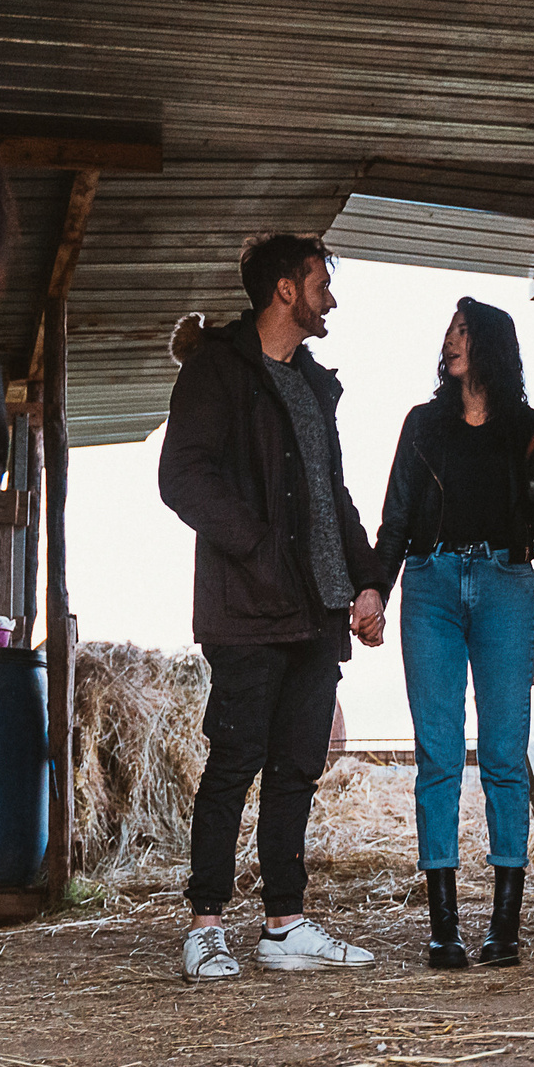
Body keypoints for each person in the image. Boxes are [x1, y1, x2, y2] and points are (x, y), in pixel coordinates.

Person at [159, 233, 388, 982]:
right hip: (248, 608)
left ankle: (284, 924)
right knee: (234, 762)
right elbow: (181, 477)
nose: (331, 300)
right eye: (321, 284)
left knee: (297, 768)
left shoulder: (314, 386)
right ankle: (206, 926)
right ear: (286, 290)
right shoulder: (218, 370)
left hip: (318, 610)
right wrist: (260, 547)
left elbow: (332, 496)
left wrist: (367, 579)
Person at [374, 299, 534, 969]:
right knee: (439, 756)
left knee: (506, 755)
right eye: (449, 331)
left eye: (463, 331)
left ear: (490, 344)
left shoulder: (531, 429)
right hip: (430, 587)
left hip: (507, 589)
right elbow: (396, 517)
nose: (451, 341)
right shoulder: (422, 424)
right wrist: (375, 588)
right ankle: (444, 929)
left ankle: (504, 928)